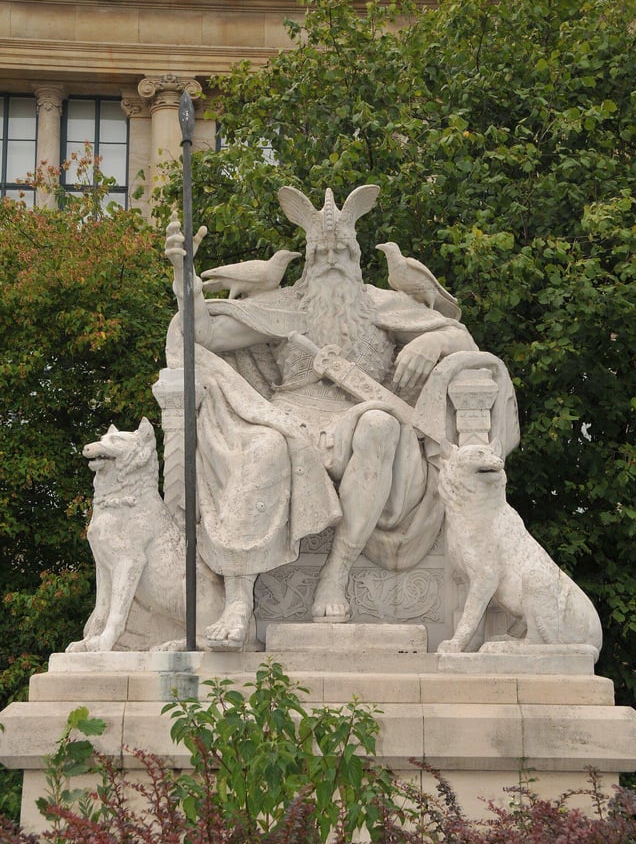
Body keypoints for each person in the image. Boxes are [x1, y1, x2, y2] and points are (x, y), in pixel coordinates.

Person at [165, 184, 479, 649]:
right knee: (265, 446)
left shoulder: (384, 303)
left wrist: (434, 341)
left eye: (341, 251)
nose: (332, 259)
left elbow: (463, 339)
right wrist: (186, 281)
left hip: (358, 416)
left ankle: (337, 572)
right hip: (288, 417)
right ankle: (239, 601)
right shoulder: (285, 304)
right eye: (322, 252)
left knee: (380, 425)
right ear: (309, 259)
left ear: (357, 257)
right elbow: (203, 335)